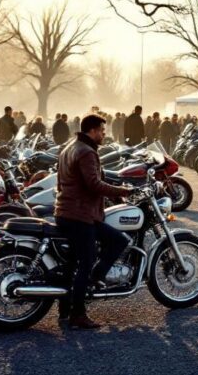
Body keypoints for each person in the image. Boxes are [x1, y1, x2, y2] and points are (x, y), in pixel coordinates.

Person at [54, 114, 133, 329]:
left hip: (67, 212)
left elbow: (79, 181)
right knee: (109, 248)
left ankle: (65, 309)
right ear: (92, 131)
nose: (104, 135)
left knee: (72, 263)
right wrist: (123, 190)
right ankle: (79, 311)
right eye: (102, 131)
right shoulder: (86, 152)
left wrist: (115, 194)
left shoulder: (71, 146)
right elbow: (94, 185)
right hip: (80, 215)